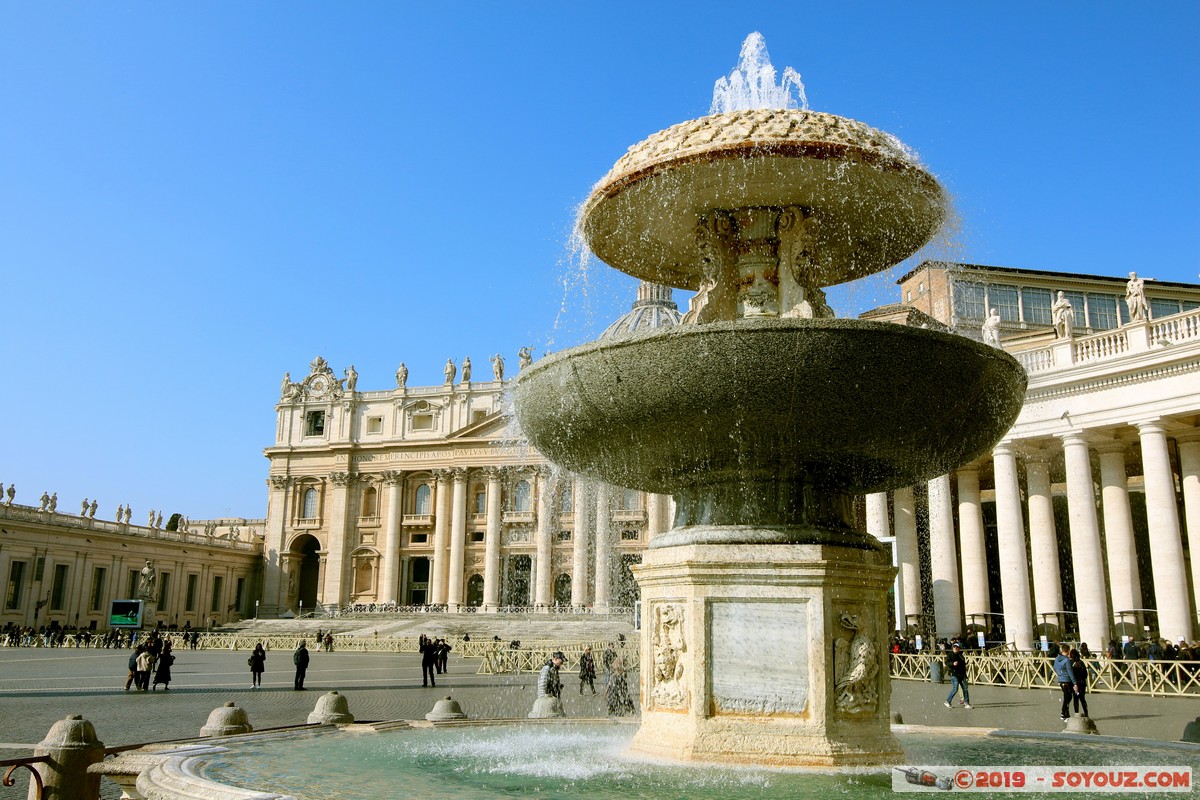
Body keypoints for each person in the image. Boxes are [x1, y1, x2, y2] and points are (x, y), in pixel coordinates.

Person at [943, 643, 972, 709]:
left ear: (959, 648)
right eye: (954, 647)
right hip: (954, 674)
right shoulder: (950, 655)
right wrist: (953, 664)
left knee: (965, 688)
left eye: (957, 647)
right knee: (955, 688)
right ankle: (947, 701)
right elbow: (947, 663)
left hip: (961, 674)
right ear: (952, 648)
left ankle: (966, 702)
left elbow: (963, 666)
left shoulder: (961, 656)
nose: (955, 648)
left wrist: (965, 675)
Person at [1053, 643, 1075, 720]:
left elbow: (1055, 668)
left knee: (1066, 697)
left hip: (1061, 680)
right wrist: (1075, 682)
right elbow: (1070, 672)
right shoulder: (1066, 660)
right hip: (1067, 680)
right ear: (1068, 650)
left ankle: (1066, 713)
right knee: (1067, 698)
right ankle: (1063, 713)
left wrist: (1060, 674)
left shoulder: (1056, 659)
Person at [1069, 648, 1090, 717]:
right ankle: (1086, 713)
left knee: (1075, 699)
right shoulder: (1081, 663)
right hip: (1082, 683)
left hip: (1075, 683)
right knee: (1082, 698)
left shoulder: (1071, 664)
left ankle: (1076, 713)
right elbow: (1085, 674)